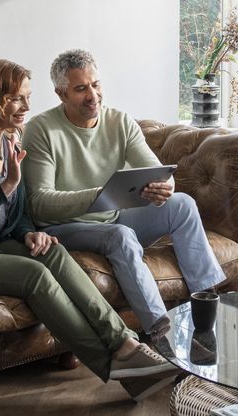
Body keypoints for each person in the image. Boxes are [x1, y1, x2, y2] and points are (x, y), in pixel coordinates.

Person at [0, 58, 179, 401]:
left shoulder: (9, 142)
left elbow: (16, 215)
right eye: (17, 98)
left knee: (52, 251)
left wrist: (28, 233)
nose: (27, 106)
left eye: (27, 97)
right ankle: (114, 364)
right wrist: (5, 187)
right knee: (34, 275)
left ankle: (124, 343)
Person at [21, 49, 227, 339]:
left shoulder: (119, 122)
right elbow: (40, 203)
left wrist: (164, 189)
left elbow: (160, 173)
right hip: (66, 226)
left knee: (182, 204)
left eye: (96, 84)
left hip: (114, 215)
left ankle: (206, 306)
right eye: (81, 88)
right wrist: (99, 195)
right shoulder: (40, 130)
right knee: (119, 235)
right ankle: (158, 332)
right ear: (61, 93)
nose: (92, 95)